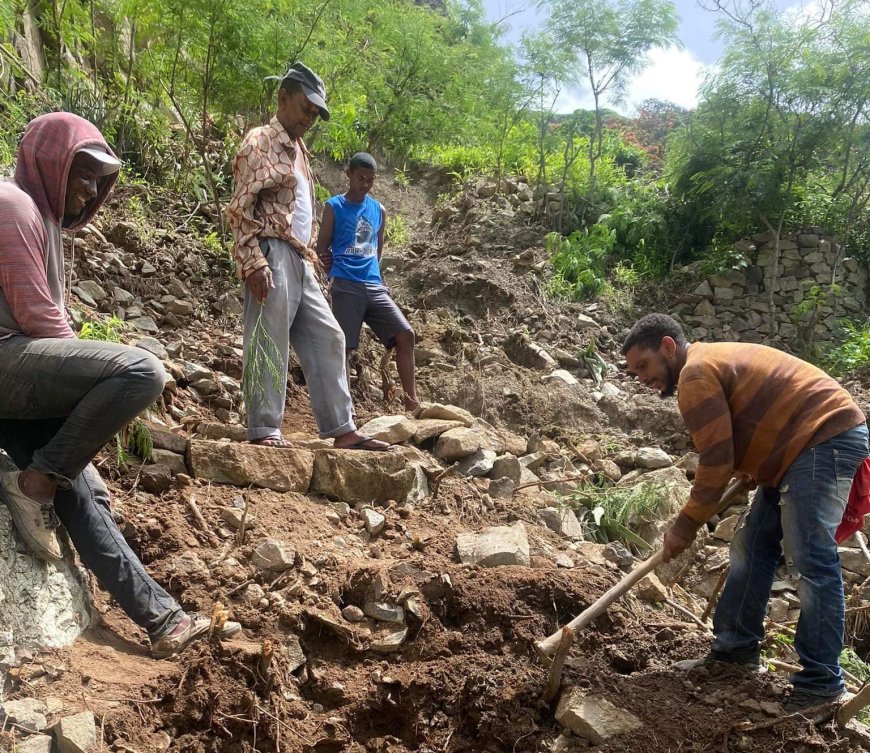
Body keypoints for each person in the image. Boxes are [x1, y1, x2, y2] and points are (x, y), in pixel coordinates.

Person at [0, 112, 239, 658]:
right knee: (140, 371)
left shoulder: (43, 221)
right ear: (49, 162)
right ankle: (35, 481)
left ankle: (162, 620)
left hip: (14, 383)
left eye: (98, 180)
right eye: (82, 173)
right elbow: (39, 318)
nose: (90, 190)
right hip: (6, 366)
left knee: (83, 489)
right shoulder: (12, 204)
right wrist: (99, 382)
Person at [622, 313, 867, 712]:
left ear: (668, 346)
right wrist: (756, 465)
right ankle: (735, 650)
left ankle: (821, 684)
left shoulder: (695, 374)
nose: (643, 379)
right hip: (800, 448)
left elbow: (716, 460)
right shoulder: (708, 363)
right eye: (634, 373)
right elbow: (745, 429)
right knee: (751, 547)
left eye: (644, 366)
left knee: (811, 561)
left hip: (823, 438)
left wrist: (684, 526)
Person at [228, 63, 389, 450]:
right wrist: (253, 260)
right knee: (269, 337)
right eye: (305, 108)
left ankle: (342, 428)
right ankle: (264, 427)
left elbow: (300, 209)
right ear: (283, 97)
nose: (309, 118)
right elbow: (240, 208)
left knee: (329, 335)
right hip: (270, 250)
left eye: (315, 113)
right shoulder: (261, 141)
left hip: (300, 258)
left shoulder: (299, 150)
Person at [315, 153, 419, 413]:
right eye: (361, 178)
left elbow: (377, 249)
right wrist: (331, 267)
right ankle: (343, 412)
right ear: (348, 174)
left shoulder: (378, 209)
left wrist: (375, 274)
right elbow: (320, 247)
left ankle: (412, 404)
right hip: (346, 284)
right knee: (345, 347)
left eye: (370, 180)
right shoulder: (334, 206)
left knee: (405, 335)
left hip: (373, 284)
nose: (365, 184)